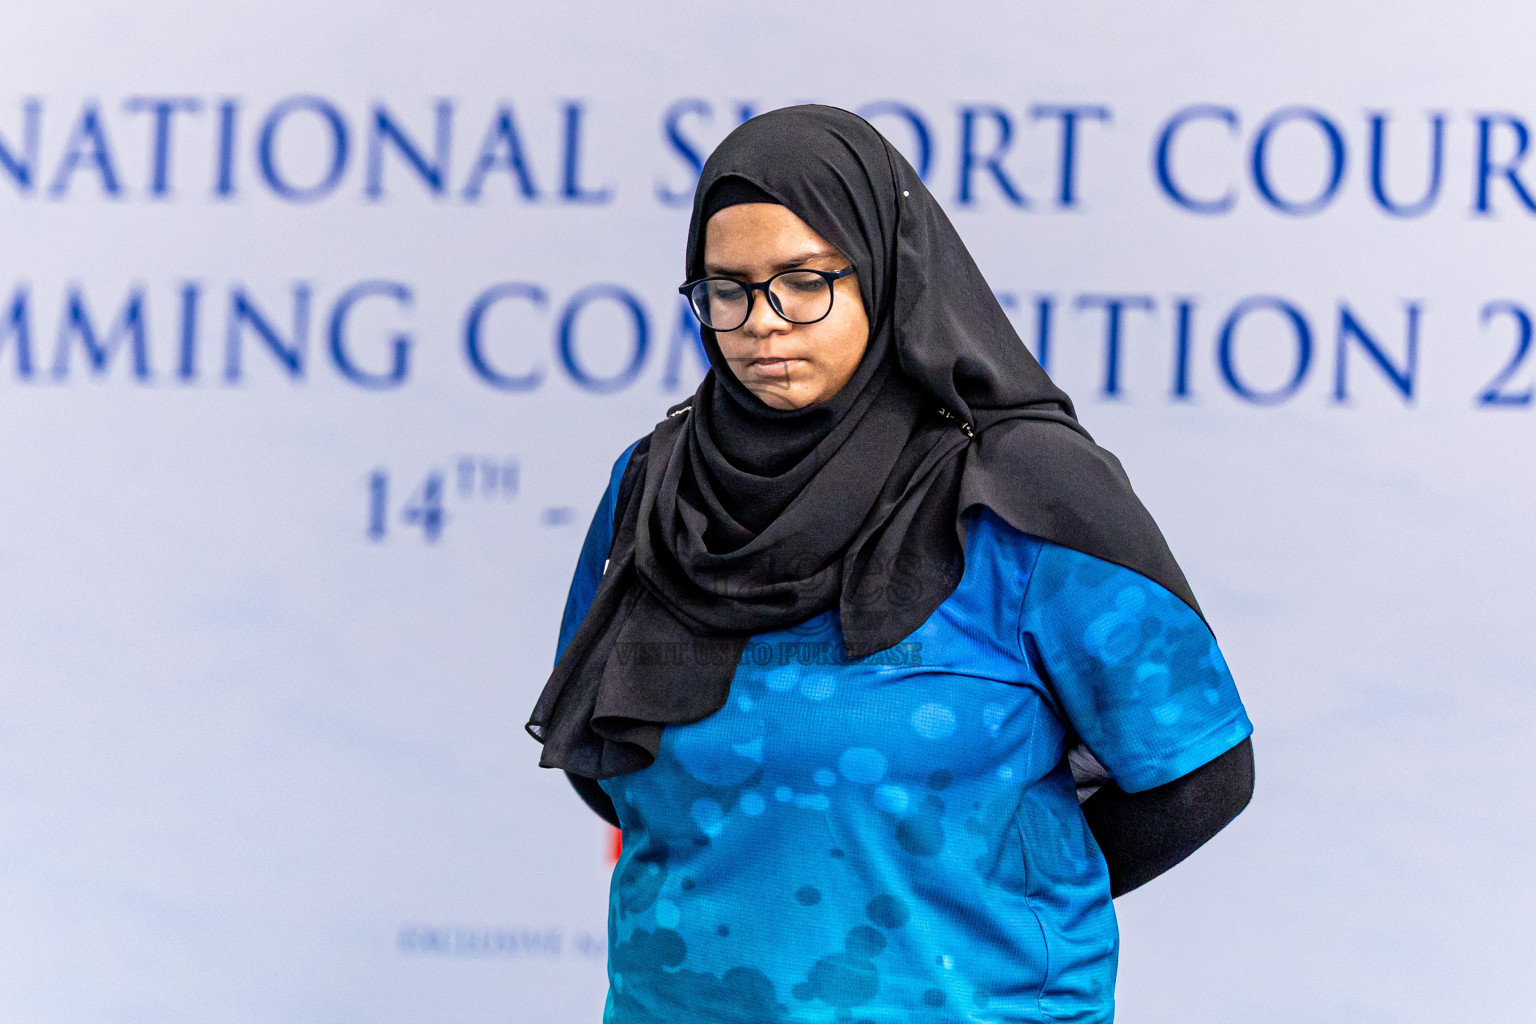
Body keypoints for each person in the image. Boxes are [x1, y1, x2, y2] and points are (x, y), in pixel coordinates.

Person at [529, 105, 1254, 1024]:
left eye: (803, 281)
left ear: (884, 270)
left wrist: (985, 886)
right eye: (728, 288)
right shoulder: (655, 488)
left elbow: (1200, 774)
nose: (763, 323)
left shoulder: (1025, 493)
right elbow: (602, 752)